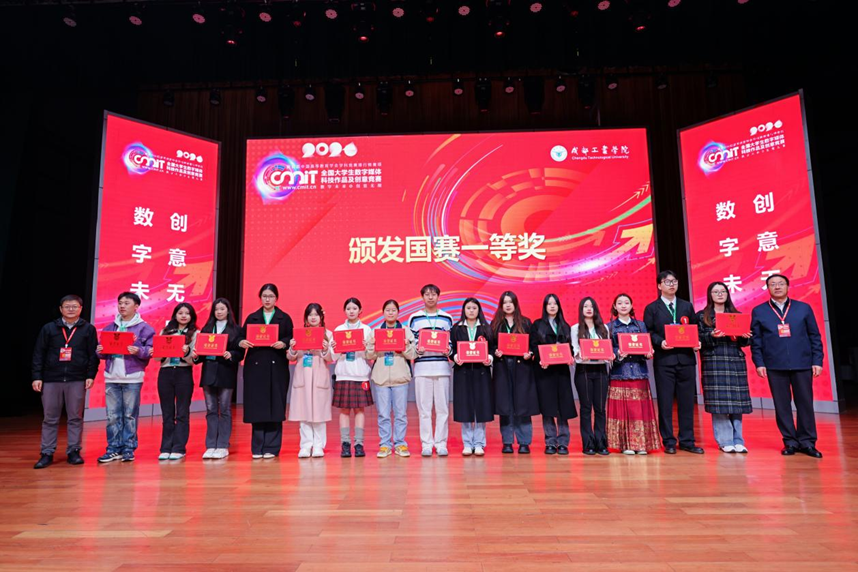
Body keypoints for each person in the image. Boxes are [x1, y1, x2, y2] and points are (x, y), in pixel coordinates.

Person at [751, 274, 824, 458]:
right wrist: (759, 363)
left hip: (802, 363)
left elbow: (814, 336)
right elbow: (756, 341)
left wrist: (817, 360)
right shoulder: (759, 311)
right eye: (772, 284)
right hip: (774, 365)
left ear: (788, 286)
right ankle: (790, 441)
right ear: (768, 288)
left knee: (805, 404)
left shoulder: (803, 308)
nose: (777, 287)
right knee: (782, 405)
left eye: (781, 283)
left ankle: (807, 442)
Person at [31, 295, 99, 469]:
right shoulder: (49, 328)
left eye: (74, 306)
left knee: (75, 417)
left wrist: (90, 375)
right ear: (61, 309)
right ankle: (47, 452)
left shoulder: (88, 329)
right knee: (50, 418)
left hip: (77, 379)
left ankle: (74, 451)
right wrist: (37, 376)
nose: (71, 309)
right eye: (67, 306)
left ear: (80, 309)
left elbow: (93, 355)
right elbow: (39, 353)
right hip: (51, 379)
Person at [643, 270, 703, 454]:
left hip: (686, 360)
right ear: (659, 285)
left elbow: (694, 328)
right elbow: (648, 332)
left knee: (687, 402)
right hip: (665, 360)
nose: (672, 284)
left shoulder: (686, 306)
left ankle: (687, 440)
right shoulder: (652, 308)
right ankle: (669, 441)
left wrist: (697, 342)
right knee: (665, 402)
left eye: (674, 281)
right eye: (667, 281)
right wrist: (660, 342)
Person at [95, 292, 156, 463]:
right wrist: (99, 351)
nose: (122, 306)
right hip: (112, 377)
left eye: (126, 303)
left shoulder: (144, 328)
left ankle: (128, 448)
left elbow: (151, 351)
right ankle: (113, 448)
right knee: (112, 416)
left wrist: (139, 351)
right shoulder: (109, 328)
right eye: (120, 303)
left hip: (132, 377)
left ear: (136, 306)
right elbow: (102, 353)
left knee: (130, 415)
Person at [238, 284, 294, 459]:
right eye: (264, 296)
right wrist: (241, 342)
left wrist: (284, 343)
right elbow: (240, 336)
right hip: (255, 367)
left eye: (270, 296)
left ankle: (272, 447)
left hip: (277, 366)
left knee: (275, 404)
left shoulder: (284, 318)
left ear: (276, 298)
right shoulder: (252, 317)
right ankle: (258, 447)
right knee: (257, 405)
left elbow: (292, 337)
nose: (267, 299)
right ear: (260, 298)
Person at [697, 282, 753, 453]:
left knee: (737, 403)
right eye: (716, 292)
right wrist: (711, 335)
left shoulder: (737, 315)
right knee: (719, 403)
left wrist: (745, 336)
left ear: (727, 294)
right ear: (710, 295)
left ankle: (738, 440)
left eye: (723, 291)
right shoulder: (702, 316)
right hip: (714, 361)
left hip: (735, 360)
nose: (720, 294)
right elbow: (697, 338)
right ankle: (725, 440)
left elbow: (747, 341)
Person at [606, 293, 660, 454]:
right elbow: (608, 348)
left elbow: (646, 345)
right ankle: (626, 445)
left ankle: (641, 445)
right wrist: (617, 352)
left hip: (638, 372)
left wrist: (649, 352)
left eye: (626, 303)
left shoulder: (640, 325)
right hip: (619, 373)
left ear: (631, 306)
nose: (623, 305)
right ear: (615, 307)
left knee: (639, 411)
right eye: (620, 303)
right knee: (623, 411)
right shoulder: (610, 327)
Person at [366, 300, 417, 458]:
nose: (390, 313)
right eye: (387, 310)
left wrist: (404, 346)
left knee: (401, 414)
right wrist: (373, 345)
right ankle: (385, 445)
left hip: (400, 378)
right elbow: (369, 355)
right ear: (383, 312)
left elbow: (413, 354)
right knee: (383, 414)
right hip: (381, 378)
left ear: (398, 312)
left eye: (393, 310)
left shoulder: (406, 331)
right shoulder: (375, 332)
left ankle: (400, 443)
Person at [490, 291, 539, 454]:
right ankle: (507, 441)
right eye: (505, 302)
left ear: (516, 304)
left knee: (522, 404)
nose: (508, 305)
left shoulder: (525, 322)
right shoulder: (495, 323)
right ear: (501, 305)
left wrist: (530, 353)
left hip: (522, 368)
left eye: (510, 302)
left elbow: (533, 344)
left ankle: (524, 442)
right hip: (503, 368)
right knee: (505, 406)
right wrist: (495, 352)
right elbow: (490, 345)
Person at [408, 284, 454, 457]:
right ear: (422, 297)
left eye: (433, 294)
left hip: (442, 368)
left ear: (438, 296)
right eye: (427, 294)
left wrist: (448, 350)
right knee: (424, 410)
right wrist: (417, 350)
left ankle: (441, 443)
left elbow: (451, 342)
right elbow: (411, 342)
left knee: (443, 409)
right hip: (422, 368)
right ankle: (426, 444)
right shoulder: (415, 318)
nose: (430, 297)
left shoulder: (446, 318)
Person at [193, 297, 242, 460]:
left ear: (228, 310)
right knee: (211, 409)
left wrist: (231, 354)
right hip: (209, 373)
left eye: (222, 309)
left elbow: (240, 353)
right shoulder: (207, 329)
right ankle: (210, 445)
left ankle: (222, 445)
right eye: (216, 309)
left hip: (226, 372)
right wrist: (195, 356)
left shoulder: (236, 330)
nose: (219, 312)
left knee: (225, 410)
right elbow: (200, 354)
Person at [530, 293, 577, 455]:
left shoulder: (565, 325)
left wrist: (570, 356)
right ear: (545, 307)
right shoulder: (537, 325)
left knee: (563, 407)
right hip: (545, 371)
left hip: (561, 371)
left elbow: (570, 347)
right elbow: (534, 346)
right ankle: (550, 441)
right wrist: (541, 359)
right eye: (549, 304)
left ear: (558, 306)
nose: (552, 306)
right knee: (548, 407)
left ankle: (563, 442)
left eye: (555, 304)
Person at [287, 303, 334, 458]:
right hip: (303, 375)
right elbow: (291, 357)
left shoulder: (328, 334)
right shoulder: (299, 334)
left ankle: (319, 446)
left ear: (321, 317)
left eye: (316, 314)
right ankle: (306, 446)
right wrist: (292, 348)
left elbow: (332, 357)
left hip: (319, 376)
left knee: (319, 413)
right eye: (310, 315)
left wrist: (325, 349)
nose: (313, 317)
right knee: (304, 413)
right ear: (306, 317)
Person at [450, 297, 494, 456]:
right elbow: (451, 349)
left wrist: (489, 358)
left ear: (479, 310)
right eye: (468, 308)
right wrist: (455, 357)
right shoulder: (456, 328)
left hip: (481, 372)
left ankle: (479, 443)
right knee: (465, 407)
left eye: (474, 308)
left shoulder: (486, 328)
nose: (471, 311)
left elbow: (492, 348)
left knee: (481, 407)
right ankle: (467, 443)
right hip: (463, 372)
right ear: (464, 310)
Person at [331, 297, 374, 458]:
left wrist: (366, 346)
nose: (351, 311)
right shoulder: (339, 329)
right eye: (348, 308)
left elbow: (370, 355)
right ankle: (345, 444)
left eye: (354, 308)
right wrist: (335, 348)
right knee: (344, 410)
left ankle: (359, 444)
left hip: (360, 375)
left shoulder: (366, 329)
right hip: (343, 374)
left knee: (359, 410)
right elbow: (333, 357)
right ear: (344, 311)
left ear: (360, 310)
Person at [156, 302, 199, 460]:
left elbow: (193, 360)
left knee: (182, 413)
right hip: (166, 372)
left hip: (183, 372)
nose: (183, 316)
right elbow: (157, 358)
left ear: (191, 316)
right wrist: (158, 352)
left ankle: (179, 448)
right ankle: (165, 447)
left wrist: (186, 352)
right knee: (167, 413)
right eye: (180, 313)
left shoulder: (196, 333)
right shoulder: (165, 331)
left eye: (187, 313)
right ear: (175, 315)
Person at [570, 297, 613, 456]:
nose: (589, 309)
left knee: (600, 408)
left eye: (591, 306)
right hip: (584, 370)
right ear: (581, 309)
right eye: (585, 306)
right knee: (586, 408)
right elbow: (575, 350)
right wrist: (581, 355)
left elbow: (607, 347)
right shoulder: (575, 328)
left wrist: (610, 355)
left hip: (601, 370)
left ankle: (601, 442)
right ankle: (588, 443)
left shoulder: (603, 328)